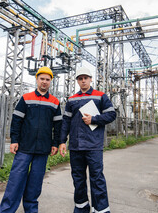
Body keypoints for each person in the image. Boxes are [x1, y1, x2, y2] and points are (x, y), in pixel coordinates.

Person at [0, 66, 62, 213]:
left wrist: (55, 143)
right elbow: (16, 121)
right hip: (24, 147)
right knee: (15, 181)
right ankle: (6, 210)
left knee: (35, 182)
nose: (44, 82)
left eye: (47, 79)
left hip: (43, 148)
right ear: (37, 80)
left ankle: (31, 209)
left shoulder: (54, 102)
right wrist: (14, 140)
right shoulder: (26, 98)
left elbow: (58, 125)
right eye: (42, 79)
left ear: (50, 81)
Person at [59, 67, 116, 213]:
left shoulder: (100, 96)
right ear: (77, 81)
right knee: (78, 178)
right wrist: (61, 141)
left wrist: (94, 119)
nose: (83, 80)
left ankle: (101, 209)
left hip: (93, 145)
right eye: (80, 78)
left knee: (96, 178)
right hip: (76, 146)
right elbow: (66, 121)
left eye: (86, 78)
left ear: (91, 79)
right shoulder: (71, 100)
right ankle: (81, 207)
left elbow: (111, 115)